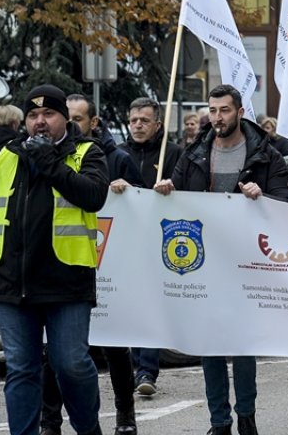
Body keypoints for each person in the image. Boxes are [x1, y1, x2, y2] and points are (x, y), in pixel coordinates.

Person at [0, 84, 110, 435]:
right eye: (32, 115)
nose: (40, 122)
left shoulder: (87, 151)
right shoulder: (8, 154)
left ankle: (89, 429)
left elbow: (92, 196)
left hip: (66, 283)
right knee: (21, 370)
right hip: (14, 283)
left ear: (63, 118)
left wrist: (48, 160)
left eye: (49, 114)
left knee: (70, 364)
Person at [154, 85, 288, 435]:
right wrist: (166, 190)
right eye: (213, 110)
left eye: (225, 110)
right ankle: (220, 421)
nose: (218, 117)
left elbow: (286, 201)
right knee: (210, 344)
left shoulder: (265, 153)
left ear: (240, 111)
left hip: (247, 261)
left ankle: (246, 414)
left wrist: (262, 196)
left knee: (242, 344)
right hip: (205, 261)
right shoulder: (196, 151)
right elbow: (179, 194)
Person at [35, 95, 143, 435]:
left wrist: (128, 189)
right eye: (65, 117)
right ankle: (49, 420)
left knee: (114, 345)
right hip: (68, 264)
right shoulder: (45, 154)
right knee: (55, 352)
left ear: (92, 122)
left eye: (77, 118)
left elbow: (145, 204)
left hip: (109, 263)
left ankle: (125, 413)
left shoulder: (115, 157)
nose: (69, 124)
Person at [113, 96, 182, 396]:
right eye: (133, 120)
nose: (138, 125)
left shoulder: (173, 153)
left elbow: (183, 190)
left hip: (159, 236)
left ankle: (147, 370)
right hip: (125, 239)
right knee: (128, 304)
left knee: (150, 302)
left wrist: (167, 188)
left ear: (157, 124)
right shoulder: (118, 154)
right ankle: (131, 365)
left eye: (144, 120)